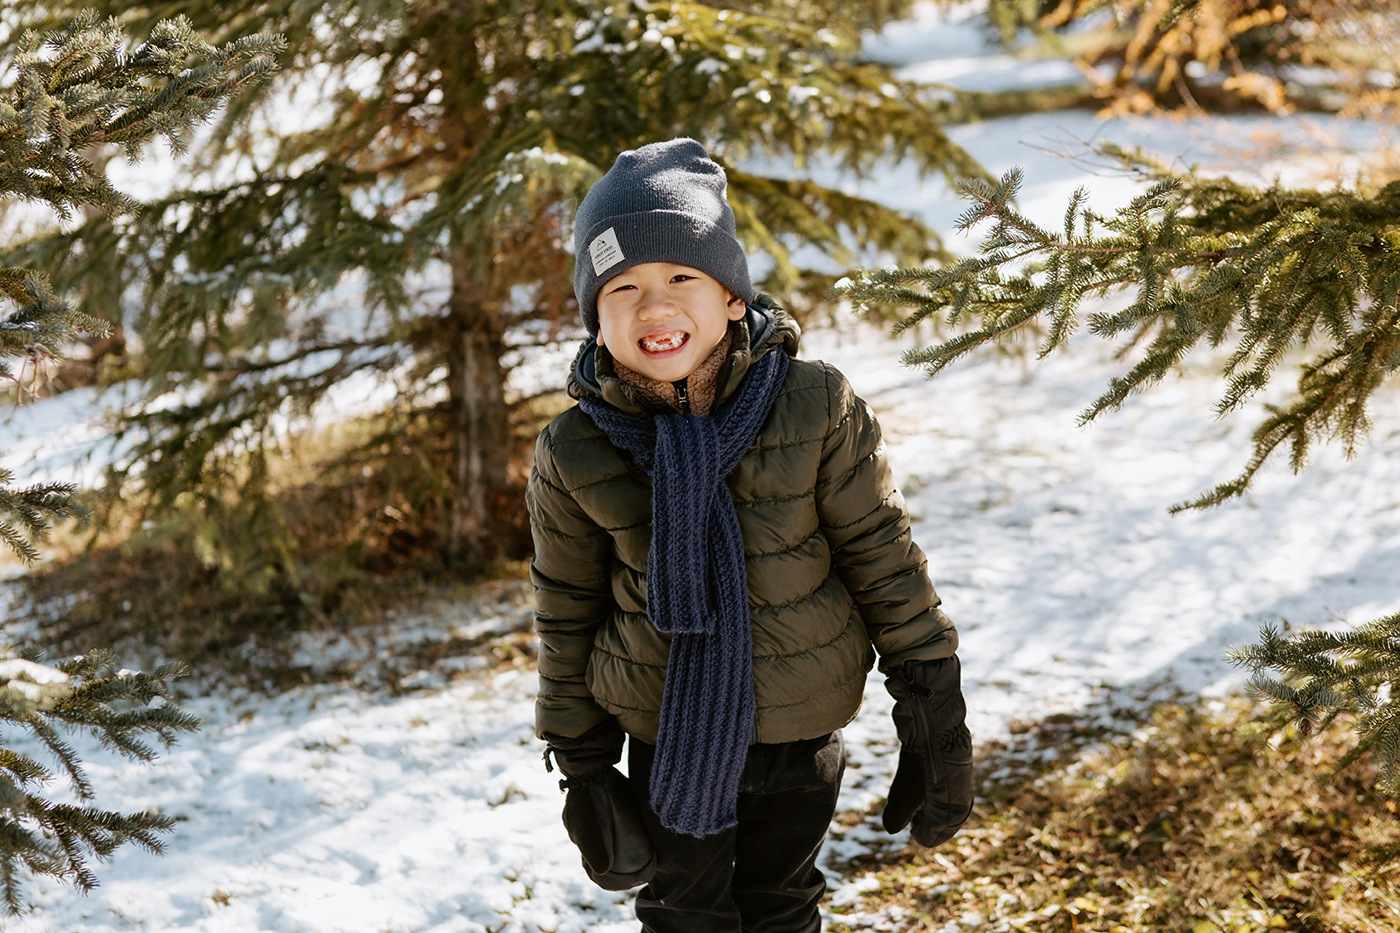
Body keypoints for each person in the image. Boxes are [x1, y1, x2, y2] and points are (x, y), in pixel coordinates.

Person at [527, 137, 972, 933]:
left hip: (801, 734)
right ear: (596, 317)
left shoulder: (813, 404)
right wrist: (583, 762)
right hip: (667, 738)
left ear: (732, 295)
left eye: (681, 277)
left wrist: (932, 700)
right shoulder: (576, 448)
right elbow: (566, 605)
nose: (654, 307)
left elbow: (882, 555)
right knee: (685, 915)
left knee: (782, 907)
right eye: (621, 286)